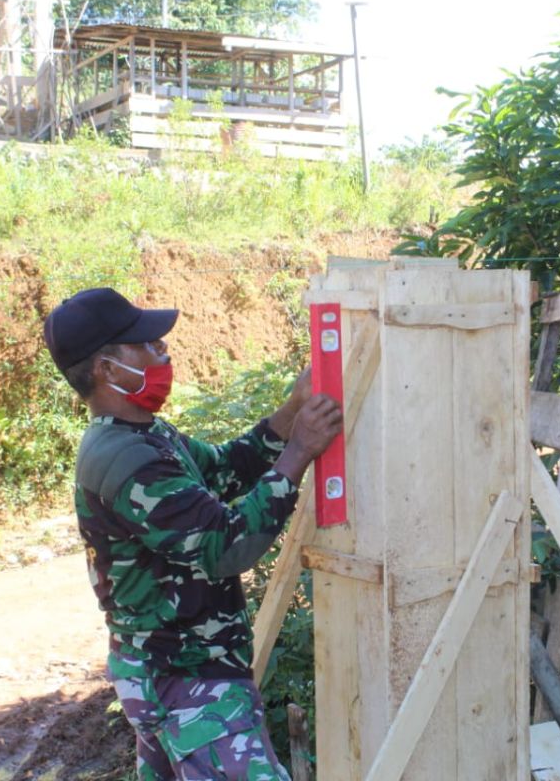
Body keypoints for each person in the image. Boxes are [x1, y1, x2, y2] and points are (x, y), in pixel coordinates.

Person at [43, 287, 341, 781]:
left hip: (170, 672)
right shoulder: (126, 459)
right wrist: (299, 453)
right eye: (149, 345)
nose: (164, 352)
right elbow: (223, 545)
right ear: (108, 369)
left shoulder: (143, 435)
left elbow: (224, 469)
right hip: (186, 679)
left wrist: (291, 414)